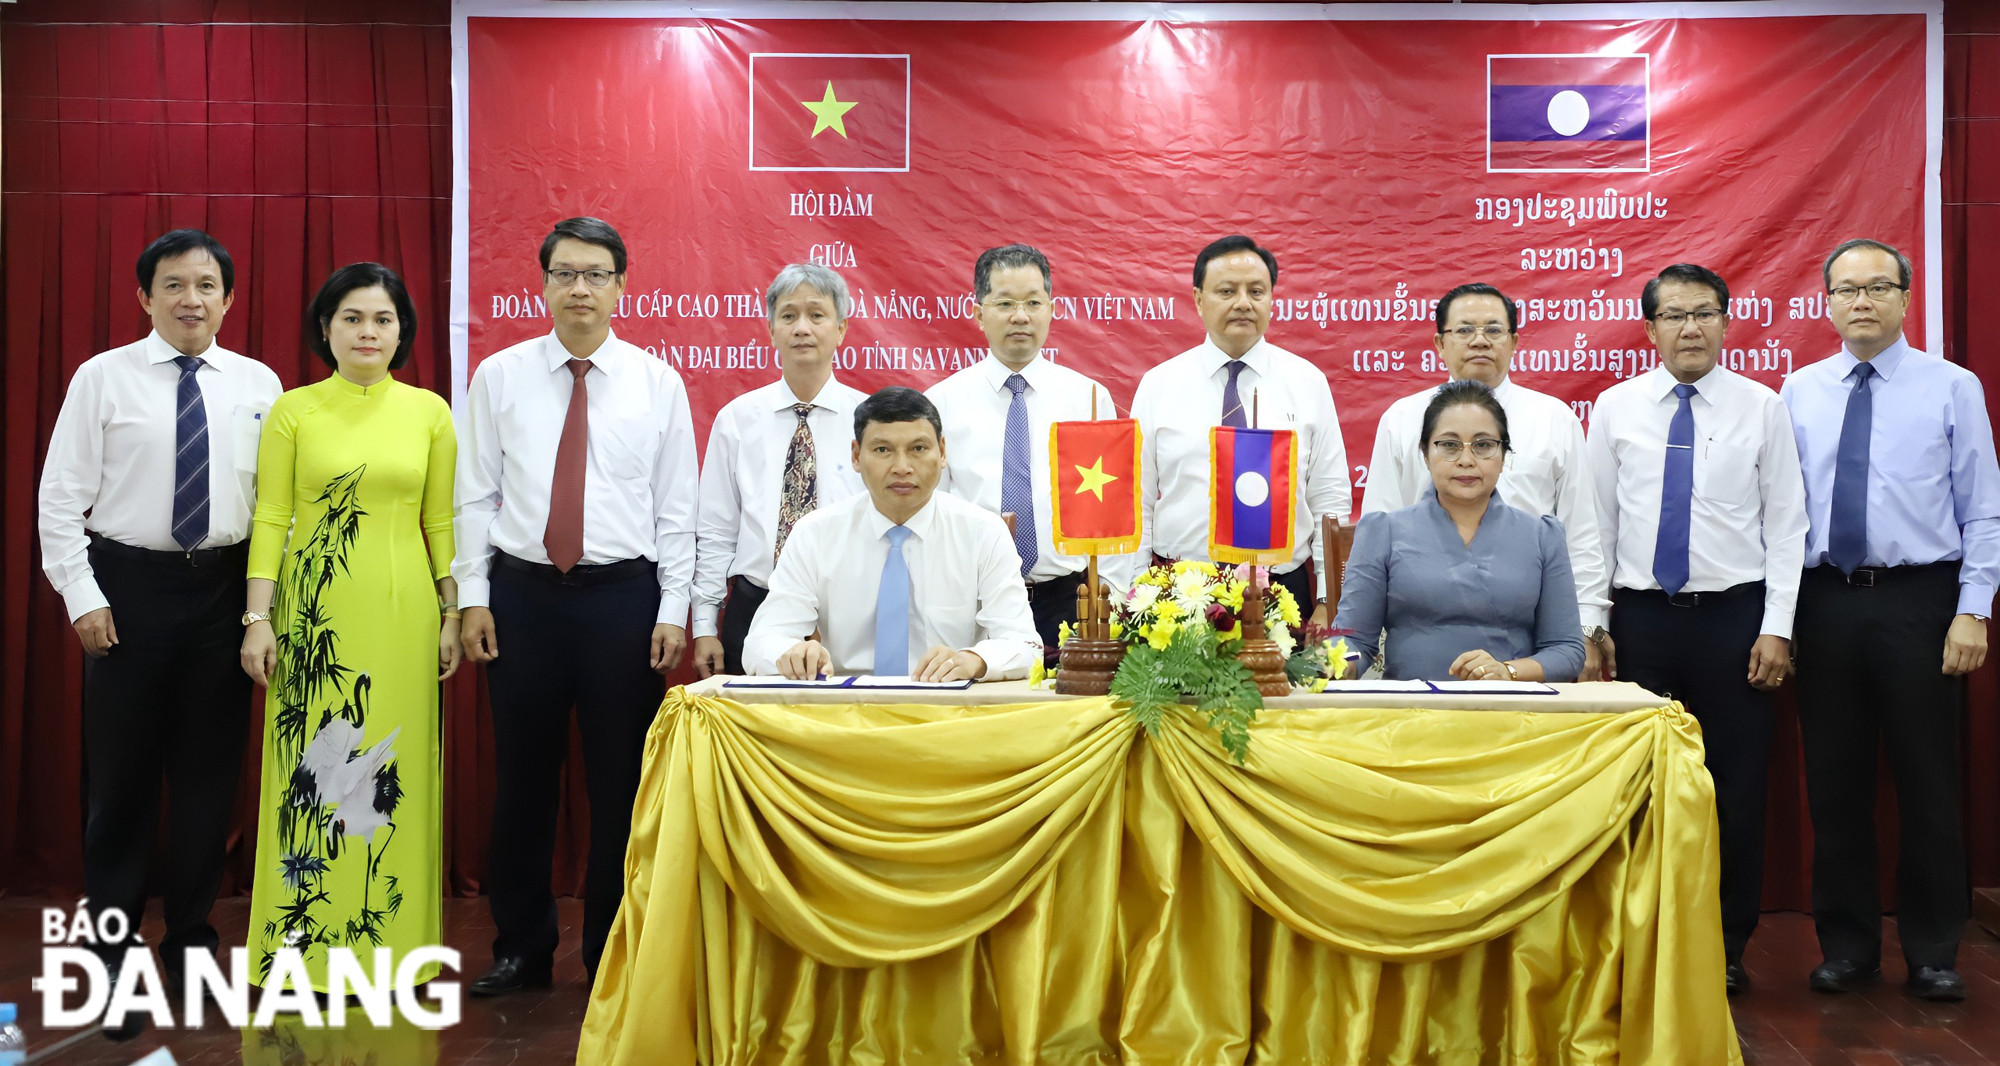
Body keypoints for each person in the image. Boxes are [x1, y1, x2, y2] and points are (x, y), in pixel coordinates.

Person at [453, 217, 699, 995]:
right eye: (565, 273)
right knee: (523, 781)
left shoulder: (658, 383)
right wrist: (474, 598)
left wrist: (674, 611)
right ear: (544, 282)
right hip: (521, 598)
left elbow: (677, 511)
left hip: (622, 603)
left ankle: (609, 954)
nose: (581, 288)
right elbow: (473, 496)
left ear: (623, 284)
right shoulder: (498, 376)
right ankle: (521, 948)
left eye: (596, 273)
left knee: (620, 786)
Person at [36, 229, 281, 996]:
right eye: (173, 285)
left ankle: (191, 937)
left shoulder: (259, 385)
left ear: (229, 299)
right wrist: (84, 596)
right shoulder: (101, 379)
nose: (191, 299)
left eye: (206, 285)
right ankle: (111, 943)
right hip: (126, 591)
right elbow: (57, 500)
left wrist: (259, 610)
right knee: (123, 781)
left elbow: (277, 508)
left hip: (222, 591)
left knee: (210, 779)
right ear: (144, 297)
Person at [1781, 239, 1999, 1003]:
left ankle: (1934, 949)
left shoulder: (1952, 387)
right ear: (1827, 303)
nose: (1862, 301)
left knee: (1927, 782)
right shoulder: (1799, 390)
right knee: (1835, 784)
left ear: (1906, 299)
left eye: (1879, 287)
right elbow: (1783, 512)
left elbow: (1983, 508)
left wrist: (1973, 609)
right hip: (1825, 601)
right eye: (1847, 290)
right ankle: (1847, 945)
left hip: (1920, 601)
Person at [1585, 263, 1807, 995]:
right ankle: (1638, 934)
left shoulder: (1762, 407)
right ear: (1648, 329)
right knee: (1638, 786)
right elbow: (1597, 525)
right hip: (1641, 621)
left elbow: (1786, 526)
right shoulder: (1615, 409)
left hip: (1735, 621)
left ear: (1725, 321)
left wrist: (1777, 627)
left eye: (1704, 313)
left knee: (1733, 788)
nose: (1690, 328)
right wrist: (1595, 622)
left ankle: (1725, 943)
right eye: (1674, 315)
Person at [237, 262, 458, 991]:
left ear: (403, 332)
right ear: (325, 328)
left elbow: (440, 521)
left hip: (403, 615)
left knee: (392, 773)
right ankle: (303, 951)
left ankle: (391, 951)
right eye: (353, 319)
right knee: (313, 774)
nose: (368, 333)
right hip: (314, 615)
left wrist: (451, 613)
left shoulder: (429, 412)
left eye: (383, 320)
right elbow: (270, 517)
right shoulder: (294, 411)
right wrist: (258, 618)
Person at [1363, 283, 1612, 678]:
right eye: (1464, 330)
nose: (1479, 340)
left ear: (1514, 341)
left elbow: (1581, 533)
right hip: (1418, 618)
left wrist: (1587, 630)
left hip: (1526, 628)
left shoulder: (1554, 419)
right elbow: (1380, 521)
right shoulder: (1402, 419)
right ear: (1439, 344)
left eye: (1493, 330)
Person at [742, 387, 1042, 681]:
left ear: (942, 453)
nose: (902, 467)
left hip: (947, 710)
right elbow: (761, 642)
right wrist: (792, 653)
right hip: (844, 711)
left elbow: (1025, 645)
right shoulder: (815, 534)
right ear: (856, 456)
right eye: (883, 450)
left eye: (918, 449)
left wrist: (975, 660)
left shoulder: (983, 533)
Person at [1123, 236, 1350, 615]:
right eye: (1227, 291)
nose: (1243, 303)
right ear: (1198, 299)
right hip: (1180, 591)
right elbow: (1136, 500)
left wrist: (1328, 599)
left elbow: (1329, 498)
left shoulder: (1307, 382)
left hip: (1281, 592)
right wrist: (1134, 596)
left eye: (1256, 291)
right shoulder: (1160, 384)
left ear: (1272, 298)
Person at [927, 244, 1119, 660]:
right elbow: (932, 511)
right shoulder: (940, 403)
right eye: (1005, 303)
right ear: (979, 313)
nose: (1020, 316)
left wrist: (1113, 591)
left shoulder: (1088, 397)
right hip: (975, 600)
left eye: (1033, 302)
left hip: (1072, 597)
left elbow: (1113, 505)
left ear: (1051, 309)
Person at [1334, 380, 1583, 682]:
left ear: (1504, 457)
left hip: (1514, 715)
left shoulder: (1543, 537)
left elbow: (1567, 650)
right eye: (1449, 445)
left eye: (1483, 445)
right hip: (1410, 714)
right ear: (1425, 453)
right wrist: (1331, 664)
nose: (1466, 460)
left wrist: (1509, 671)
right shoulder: (1383, 532)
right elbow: (1354, 641)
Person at [690, 263, 866, 677]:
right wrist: (704, 626)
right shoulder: (737, 419)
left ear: (841, 329)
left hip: (848, 611)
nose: (801, 327)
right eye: (788, 316)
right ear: (771, 330)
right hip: (755, 604)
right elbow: (717, 531)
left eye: (816, 315)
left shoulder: (870, 420)